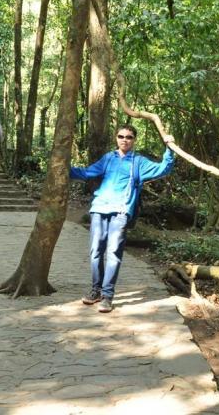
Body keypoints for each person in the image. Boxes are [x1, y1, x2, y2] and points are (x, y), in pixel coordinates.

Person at [70, 124, 175, 313]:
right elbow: (87, 172)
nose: (124, 139)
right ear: (116, 138)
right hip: (99, 209)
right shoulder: (108, 158)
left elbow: (163, 169)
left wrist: (169, 149)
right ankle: (96, 290)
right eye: (121, 136)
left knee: (113, 254)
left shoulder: (139, 162)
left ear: (134, 140)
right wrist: (64, 168)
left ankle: (107, 296)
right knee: (95, 253)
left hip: (121, 211)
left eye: (129, 137)